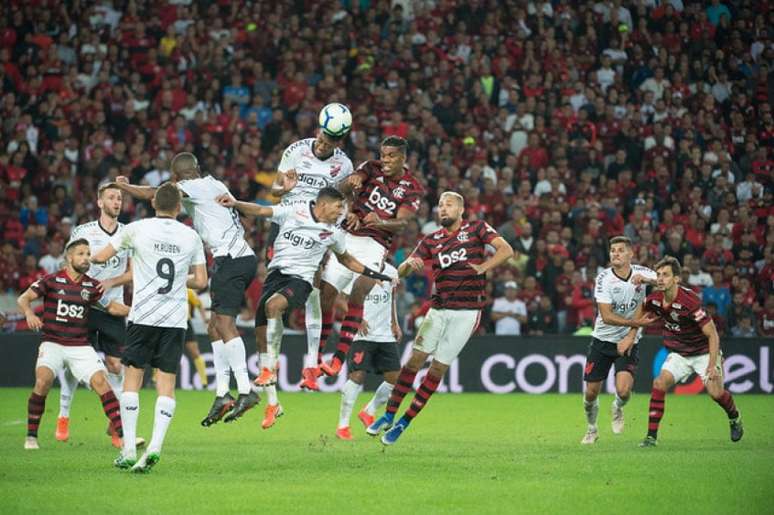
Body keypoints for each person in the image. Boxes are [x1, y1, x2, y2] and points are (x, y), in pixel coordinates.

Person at [218, 187, 394, 429]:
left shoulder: (334, 233)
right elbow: (260, 210)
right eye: (337, 207)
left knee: (274, 307)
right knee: (261, 340)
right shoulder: (293, 212)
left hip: (300, 281)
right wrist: (236, 202)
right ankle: (273, 403)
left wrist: (374, 273)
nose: (340, 212)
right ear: (323, 204)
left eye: (342, 208)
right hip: (275, 276)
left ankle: (271, 370)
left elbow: (347, 260)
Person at [114, 152, 259, 426]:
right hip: (236, 258)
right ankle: (222, 393)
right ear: (198, 168)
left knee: (225, 325)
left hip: (232, 259)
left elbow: (158, 195)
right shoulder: (214, 183)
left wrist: (125, 186)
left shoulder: (190, 188)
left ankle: (245, 389)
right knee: (215, 326)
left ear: (176, 176)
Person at [367, 192, 513, 445]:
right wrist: (407, 266)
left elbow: (506, 249)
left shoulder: (477, 228)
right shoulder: (431, 239)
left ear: (461, 209)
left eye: (449, 205)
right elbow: (401, 271)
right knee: (413, 362)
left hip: (467, 313)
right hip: (438, 309)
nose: (443, 209)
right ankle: (389, 414)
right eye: (440, 206)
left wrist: (483, 267)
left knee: (436, 369)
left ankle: (404, 423)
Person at [92, 183, 208, 472]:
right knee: (166, 383)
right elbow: (202, 281)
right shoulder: (191, 235)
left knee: (132, 379)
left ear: (154, 203)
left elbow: (102, 257)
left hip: (143, 317)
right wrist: (179, 277)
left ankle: (129, 449)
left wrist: (86, 258)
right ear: (179, 208)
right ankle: (155, 446)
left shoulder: (137, 228)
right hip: (174, 320)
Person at [311, 136, 424, 390]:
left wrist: (380, 221)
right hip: (348, 237)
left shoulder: (412, 187)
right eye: (383, 155)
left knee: (361, 289)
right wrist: (351, 187)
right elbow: (340, 190)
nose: (385, 160)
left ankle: (338, 359)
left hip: (376, 245)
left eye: (391, 156)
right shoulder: (370, 168)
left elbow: (403, 222)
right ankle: (316, 358)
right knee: (326, 295)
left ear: (403, 158)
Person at [267, 115, 354, 389]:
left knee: (313, 288)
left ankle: (311, 363)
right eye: (325, 135)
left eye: (333, 140)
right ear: (320, 129)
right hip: (287, 221)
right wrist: (285, 188)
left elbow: (342, 202)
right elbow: (274, 191)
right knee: (273, 293)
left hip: (316, 228)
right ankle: (272, 361)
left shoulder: (344, 165)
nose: (326, 143)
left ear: (341, 140)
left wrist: (337, 225)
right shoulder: (295, 151)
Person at [17, 238, 128, 450]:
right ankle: (31, 437)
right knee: (43, 381)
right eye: (81, 254)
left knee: (101, 382)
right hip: (53, 343)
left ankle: (122, 436)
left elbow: (112, 308)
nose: (86, 258)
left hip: (79, 345)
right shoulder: (50, 280)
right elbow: (24, 298)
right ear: (69, 257)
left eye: (88, 254)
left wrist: (136, 310)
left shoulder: (92, 286)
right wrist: (29, 314)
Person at [56, 183, 133, 447]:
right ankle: (64, 415)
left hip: (113, 308)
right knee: (71, 364)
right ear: (99, 202)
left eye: (120, 198)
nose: (116, 201)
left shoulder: (128, 233)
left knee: (115, 366)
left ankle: (116, 428)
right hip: (85, 307)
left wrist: (111, 284)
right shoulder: (83, 232)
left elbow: (132, 271)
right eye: (111, 197)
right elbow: (70, 265)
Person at [639, 256, 743, 447]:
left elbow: (713, 335)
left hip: (703, 352)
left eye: (665, 275)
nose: (660, 279)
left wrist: (712, 366)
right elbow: (641, 313)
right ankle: (651, 437)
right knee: (659, 383)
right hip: (679, 353)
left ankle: (734, 417)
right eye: (658, 275)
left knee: (716, 393)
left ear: (677, 279)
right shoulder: (654, 299)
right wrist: (630, 335)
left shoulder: (691, 301)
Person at [581, 236, 656, 445]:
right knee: (590, 393)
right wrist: (635, 323)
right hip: (602, 340)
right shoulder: (604, 279)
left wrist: (648, 281)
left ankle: (617, 407)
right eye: (613, 250)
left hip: (629, 340)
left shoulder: (643, 272)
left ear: (631, 254)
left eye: (620, 250)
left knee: (623, 390)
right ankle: (592, 428)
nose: (615, 253)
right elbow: (606, 316)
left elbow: (666, 281)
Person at [336, 262, 401, 440]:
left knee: (395, 379)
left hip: (386, 334)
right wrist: (356, 318)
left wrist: (395, 323)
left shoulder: (391, 271)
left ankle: (369, 411)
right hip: (362, 335)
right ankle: (343, 426)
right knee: (357, 375)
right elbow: (340, 299)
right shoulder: (357, 270)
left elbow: (392, 299)